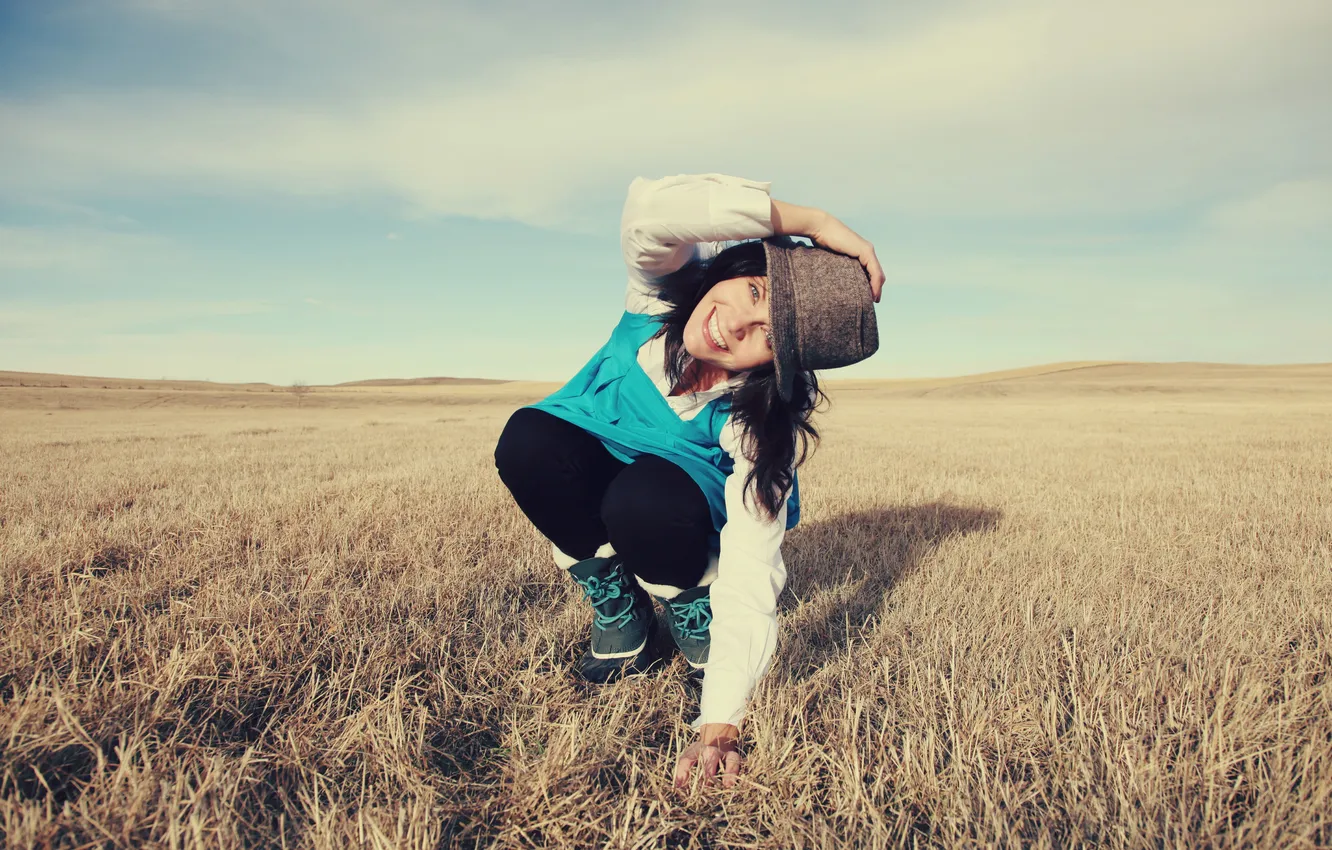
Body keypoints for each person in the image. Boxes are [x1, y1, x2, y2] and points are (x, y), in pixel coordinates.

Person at [494, 172, 884, 789]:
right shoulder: (657, 301)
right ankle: (621, 615)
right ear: (735, 267)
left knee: (645, 496)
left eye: (767, 338)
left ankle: (687, 603)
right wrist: (810, 222)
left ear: (776, 369)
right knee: (530, 440)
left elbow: (756, 568)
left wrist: (721, 726)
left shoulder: (754, 426)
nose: (735, 326)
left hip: (668, 514)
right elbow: (650, 212)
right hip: (591, 481)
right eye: (754, 291)